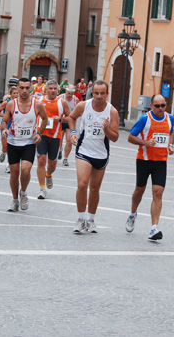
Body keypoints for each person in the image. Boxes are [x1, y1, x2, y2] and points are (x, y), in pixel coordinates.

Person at [68, 80, 120, 233]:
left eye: (102, 93)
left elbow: (115, 137)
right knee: (82, 184)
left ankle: (90, 219)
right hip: (84, 150)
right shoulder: (84, 106)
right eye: (96, 93)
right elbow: (71, 118)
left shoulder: (112, 112)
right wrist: (73, 132)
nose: (98, 96)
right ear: (92, 93)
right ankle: (81, 218)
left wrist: (106, 129)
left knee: (95, 188)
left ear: (107, 94)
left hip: (101, 153)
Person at [125, 94, 174, 241]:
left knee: (158, 192)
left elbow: (171, 133)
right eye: (157, 106)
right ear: (151, 106)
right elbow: (130, 137)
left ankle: (154, 228)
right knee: (139, 190)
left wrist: (170, 145)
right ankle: (133, 214)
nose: (160, 109)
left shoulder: (169, 118)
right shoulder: (144, 119)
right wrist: (145, 143)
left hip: (161, 161)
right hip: (144, 160)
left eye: (163, 105)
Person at [1, 78, 48, 212]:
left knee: (25, 170)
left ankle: (23, 192)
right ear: (17, 89)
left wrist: (39, 133)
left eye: (27, 88)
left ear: (31, 89)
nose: (24, 90)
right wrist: (5, 129)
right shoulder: (11, 104)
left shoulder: (37, 105)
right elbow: (4, 121)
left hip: (29, 142)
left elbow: (45, 118)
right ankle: (15, 200)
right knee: (14, 174)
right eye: (22, 88)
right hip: (13, 142)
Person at [36, 80, 70, 199]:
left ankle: (48, 174)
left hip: (55, 137)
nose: (53, 91)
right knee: (41, 160)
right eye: (50, 88)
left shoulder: (62, 102)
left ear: (58, 90)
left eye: (55, 88)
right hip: (41, 135)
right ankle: (42, 188)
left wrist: (60, 119)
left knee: (52, 165)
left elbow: (70, 118)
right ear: (46, 90)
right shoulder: (39, 101)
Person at [0, 87, 19, 173]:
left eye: (17, 93)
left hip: (15, 126)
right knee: (5, 147)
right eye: (14, 93)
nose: (16, 95)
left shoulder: (20, 103)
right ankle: (3, 153)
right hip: (5, 125)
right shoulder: (7, 102)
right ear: (11, 94)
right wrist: (5, 116)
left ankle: (8, 165)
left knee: (11, 147)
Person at [61, 85, 80, 166]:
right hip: (61, 121)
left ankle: (65, 158)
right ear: (65, 91)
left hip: (70, 122)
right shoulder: (60, 98)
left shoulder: (76, 100)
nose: (69, 95)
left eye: (71, 94)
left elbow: (79, 111)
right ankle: (59, 150)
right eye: (68, 93)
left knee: (69, 140)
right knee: (59, 139)